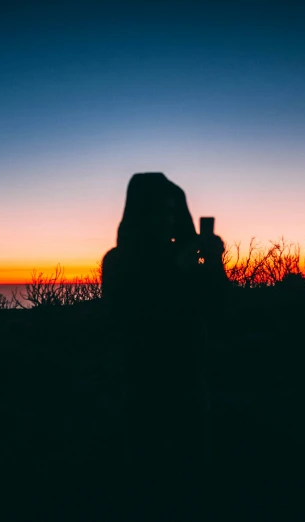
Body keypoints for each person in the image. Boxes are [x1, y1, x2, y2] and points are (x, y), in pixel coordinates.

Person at [101, 172, 229, 518]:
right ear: (140, 213)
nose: (167, 219)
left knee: (195, 475)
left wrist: (214, 262)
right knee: (147, 478)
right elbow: (127, 315)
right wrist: (177, 268)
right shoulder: (117, 261)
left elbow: (219, 308)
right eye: (159, 210)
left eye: (173, 211)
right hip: (141, 386)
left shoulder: (188, 259)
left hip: (191, 381)